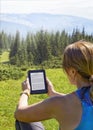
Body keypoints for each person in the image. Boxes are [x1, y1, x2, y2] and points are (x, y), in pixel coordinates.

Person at [14, 40, 93, 130]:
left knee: (23, 119)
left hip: (23, 111)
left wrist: (25, 92)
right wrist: (52, 93)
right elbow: (81, 101)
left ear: (72, 72)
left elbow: (19, 113)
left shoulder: (58, 103)